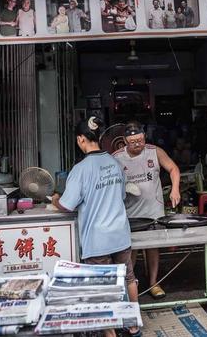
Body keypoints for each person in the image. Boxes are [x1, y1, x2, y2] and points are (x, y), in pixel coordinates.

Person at [52, 117, 140, 337]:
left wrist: (54, 199)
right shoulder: (115, 163)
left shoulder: (80, 170)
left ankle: (110, 333)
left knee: (102, 285)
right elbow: (120, 196)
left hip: (97, 238)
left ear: (81, 139)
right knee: (128, 278)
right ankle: (133, 326)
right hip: (120, 234)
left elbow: (66, 205)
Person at [113, 122, 181, 300]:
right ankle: (131, 283)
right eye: (133, 142)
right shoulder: (117, 157)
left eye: (140, 140)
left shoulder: (154, 151)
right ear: (125, 141)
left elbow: (173, 169)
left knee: (152, 246)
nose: (138, 144)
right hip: (129, 211)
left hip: (153, 209)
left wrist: (175, 189)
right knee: (130, 249)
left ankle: (153, 282)